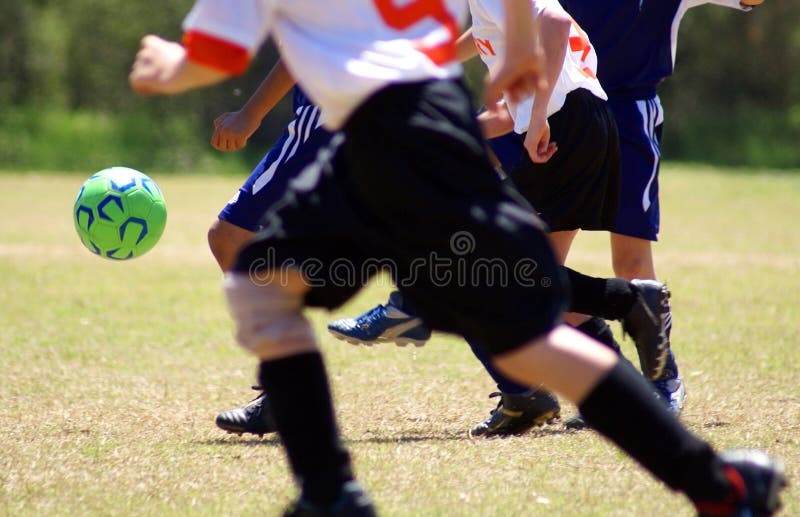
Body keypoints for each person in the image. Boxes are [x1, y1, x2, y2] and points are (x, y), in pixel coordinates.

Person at [129, 1, 786, 515]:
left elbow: (213, 55)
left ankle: (331, 493)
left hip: (385, 139)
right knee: (529, 341)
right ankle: (719, 484)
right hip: (439, 128)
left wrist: (166, 65)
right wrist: (523, 44)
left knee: (260, 284)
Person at [207, 57, 669, 438]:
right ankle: (610, 314)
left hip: (344, 114)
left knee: (231, 237)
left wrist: (248, 113)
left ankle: (295, 392)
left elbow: (301, 40)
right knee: (456, 266)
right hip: (410, 117)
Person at [327, 0, 674, 436]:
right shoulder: (494, 20)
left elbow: (556, 21)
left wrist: (540, 115)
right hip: (585, 125)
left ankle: (408, 308)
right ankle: (621, 380)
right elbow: (505, 99)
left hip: (565, 127)